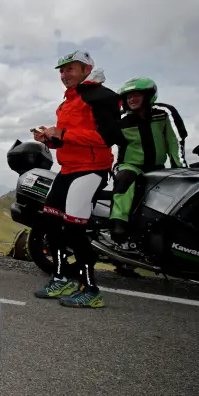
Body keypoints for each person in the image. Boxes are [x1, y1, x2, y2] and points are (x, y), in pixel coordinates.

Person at [32, 50, 123, 308]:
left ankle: (90, 289)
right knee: (49, 220)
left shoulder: (102, 96)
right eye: (61, 70)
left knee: (74, 228)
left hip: (92, 169)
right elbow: (70, 136)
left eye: (70, 69)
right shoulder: (66, 102)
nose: (64, 74)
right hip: (69, 168)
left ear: (87, 69)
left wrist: (63, 132)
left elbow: (108, 137)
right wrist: (51, 138)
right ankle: (61, 277)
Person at [110, 77, 187, 243]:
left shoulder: (164, 112)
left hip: (158, 167)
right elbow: (103, 138)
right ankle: (118, 224)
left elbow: (175, 141)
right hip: (129, 165)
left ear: (148, 96)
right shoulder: (121, 119)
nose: (132, 99)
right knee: (125, 178)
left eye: (137, 95)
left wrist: (181, 170)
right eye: (129, 96)